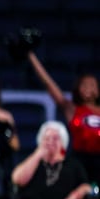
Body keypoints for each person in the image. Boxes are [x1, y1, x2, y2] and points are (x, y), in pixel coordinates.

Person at [26, 51, 100, 182]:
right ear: (77, 88)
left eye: (92, 85)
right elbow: (48, 83)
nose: (88, 88)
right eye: (84, 85)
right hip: (80, 161)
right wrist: (31, 56)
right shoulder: (71, 109)